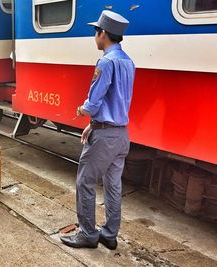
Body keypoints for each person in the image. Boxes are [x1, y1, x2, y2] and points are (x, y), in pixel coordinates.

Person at [60, 10, 135, 250]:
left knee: (85, 182)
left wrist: (82, 110)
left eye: (96, 32)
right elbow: (116, 100)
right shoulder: (128, 61)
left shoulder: (106, 61)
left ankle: (88, 234)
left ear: (103, 34)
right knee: (113, 185)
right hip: (122, 134)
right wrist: (93, 125)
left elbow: (94, 103)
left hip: (104, 137)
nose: (95, 37)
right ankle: (110, 234)